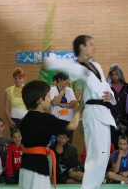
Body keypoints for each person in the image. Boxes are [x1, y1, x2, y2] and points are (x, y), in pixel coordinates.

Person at [45, 35, 116, 189]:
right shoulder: (78, 67)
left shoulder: (96, 65)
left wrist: (110, 95)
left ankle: (93, 187)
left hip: (104, 113)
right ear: (81, 47)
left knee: (103, 157)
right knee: (95, 156)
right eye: (90, 44)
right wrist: (49, 58)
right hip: (93, 113)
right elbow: (63, 66)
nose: (93, 47)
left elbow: (105, 85)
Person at [19, 80, 80, 189]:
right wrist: (78, 111)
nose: (50, 99)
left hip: (25, 166)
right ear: (40, 100)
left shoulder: (25, 119)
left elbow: (23, 145)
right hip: (38, 167)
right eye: (48, 96)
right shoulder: (45, 118)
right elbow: (72, 125)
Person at [106, 64, 128, 149]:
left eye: (116, 74)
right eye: (112, 74)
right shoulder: (106, 87)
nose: (114, 76)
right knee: (113, 144)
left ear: (120, 74)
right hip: (111, 120)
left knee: (125, 143)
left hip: (126, 120)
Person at [50, 72, 77, 143]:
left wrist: (60, 104)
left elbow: (73, 104)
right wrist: (61, 93)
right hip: (56, 121)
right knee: (56, 144)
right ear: (59, 80)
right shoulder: (52, 89)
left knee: (68, 144)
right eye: (65, 79)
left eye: (67, 79)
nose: (67, 81)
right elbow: (54, 102)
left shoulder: (70, 90)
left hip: (68, 122)